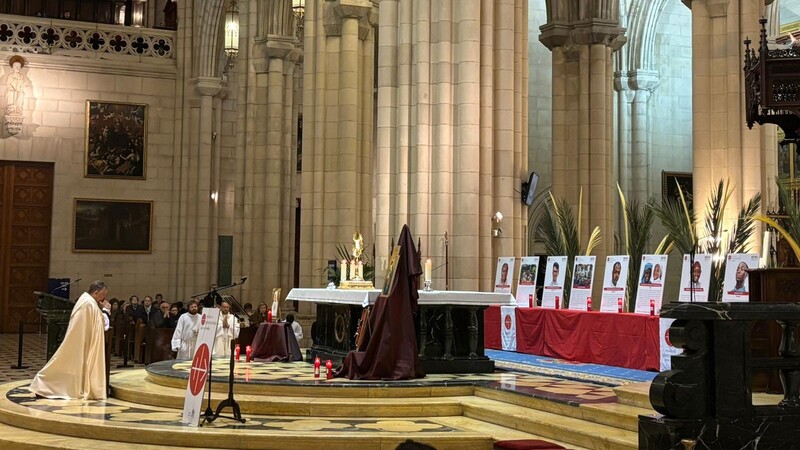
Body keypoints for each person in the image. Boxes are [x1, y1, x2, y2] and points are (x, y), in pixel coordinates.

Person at [30, 280, 111, 400]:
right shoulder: (89, 304)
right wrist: (105, 310)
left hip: (79, 341)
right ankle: (43, 385)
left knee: (65, 365)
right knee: (66, 365)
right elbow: (100, 323)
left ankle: (44, 386)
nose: (104, 298)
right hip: (79, 343)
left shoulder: (86, 301)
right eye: (103, 295)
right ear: (96, 292)